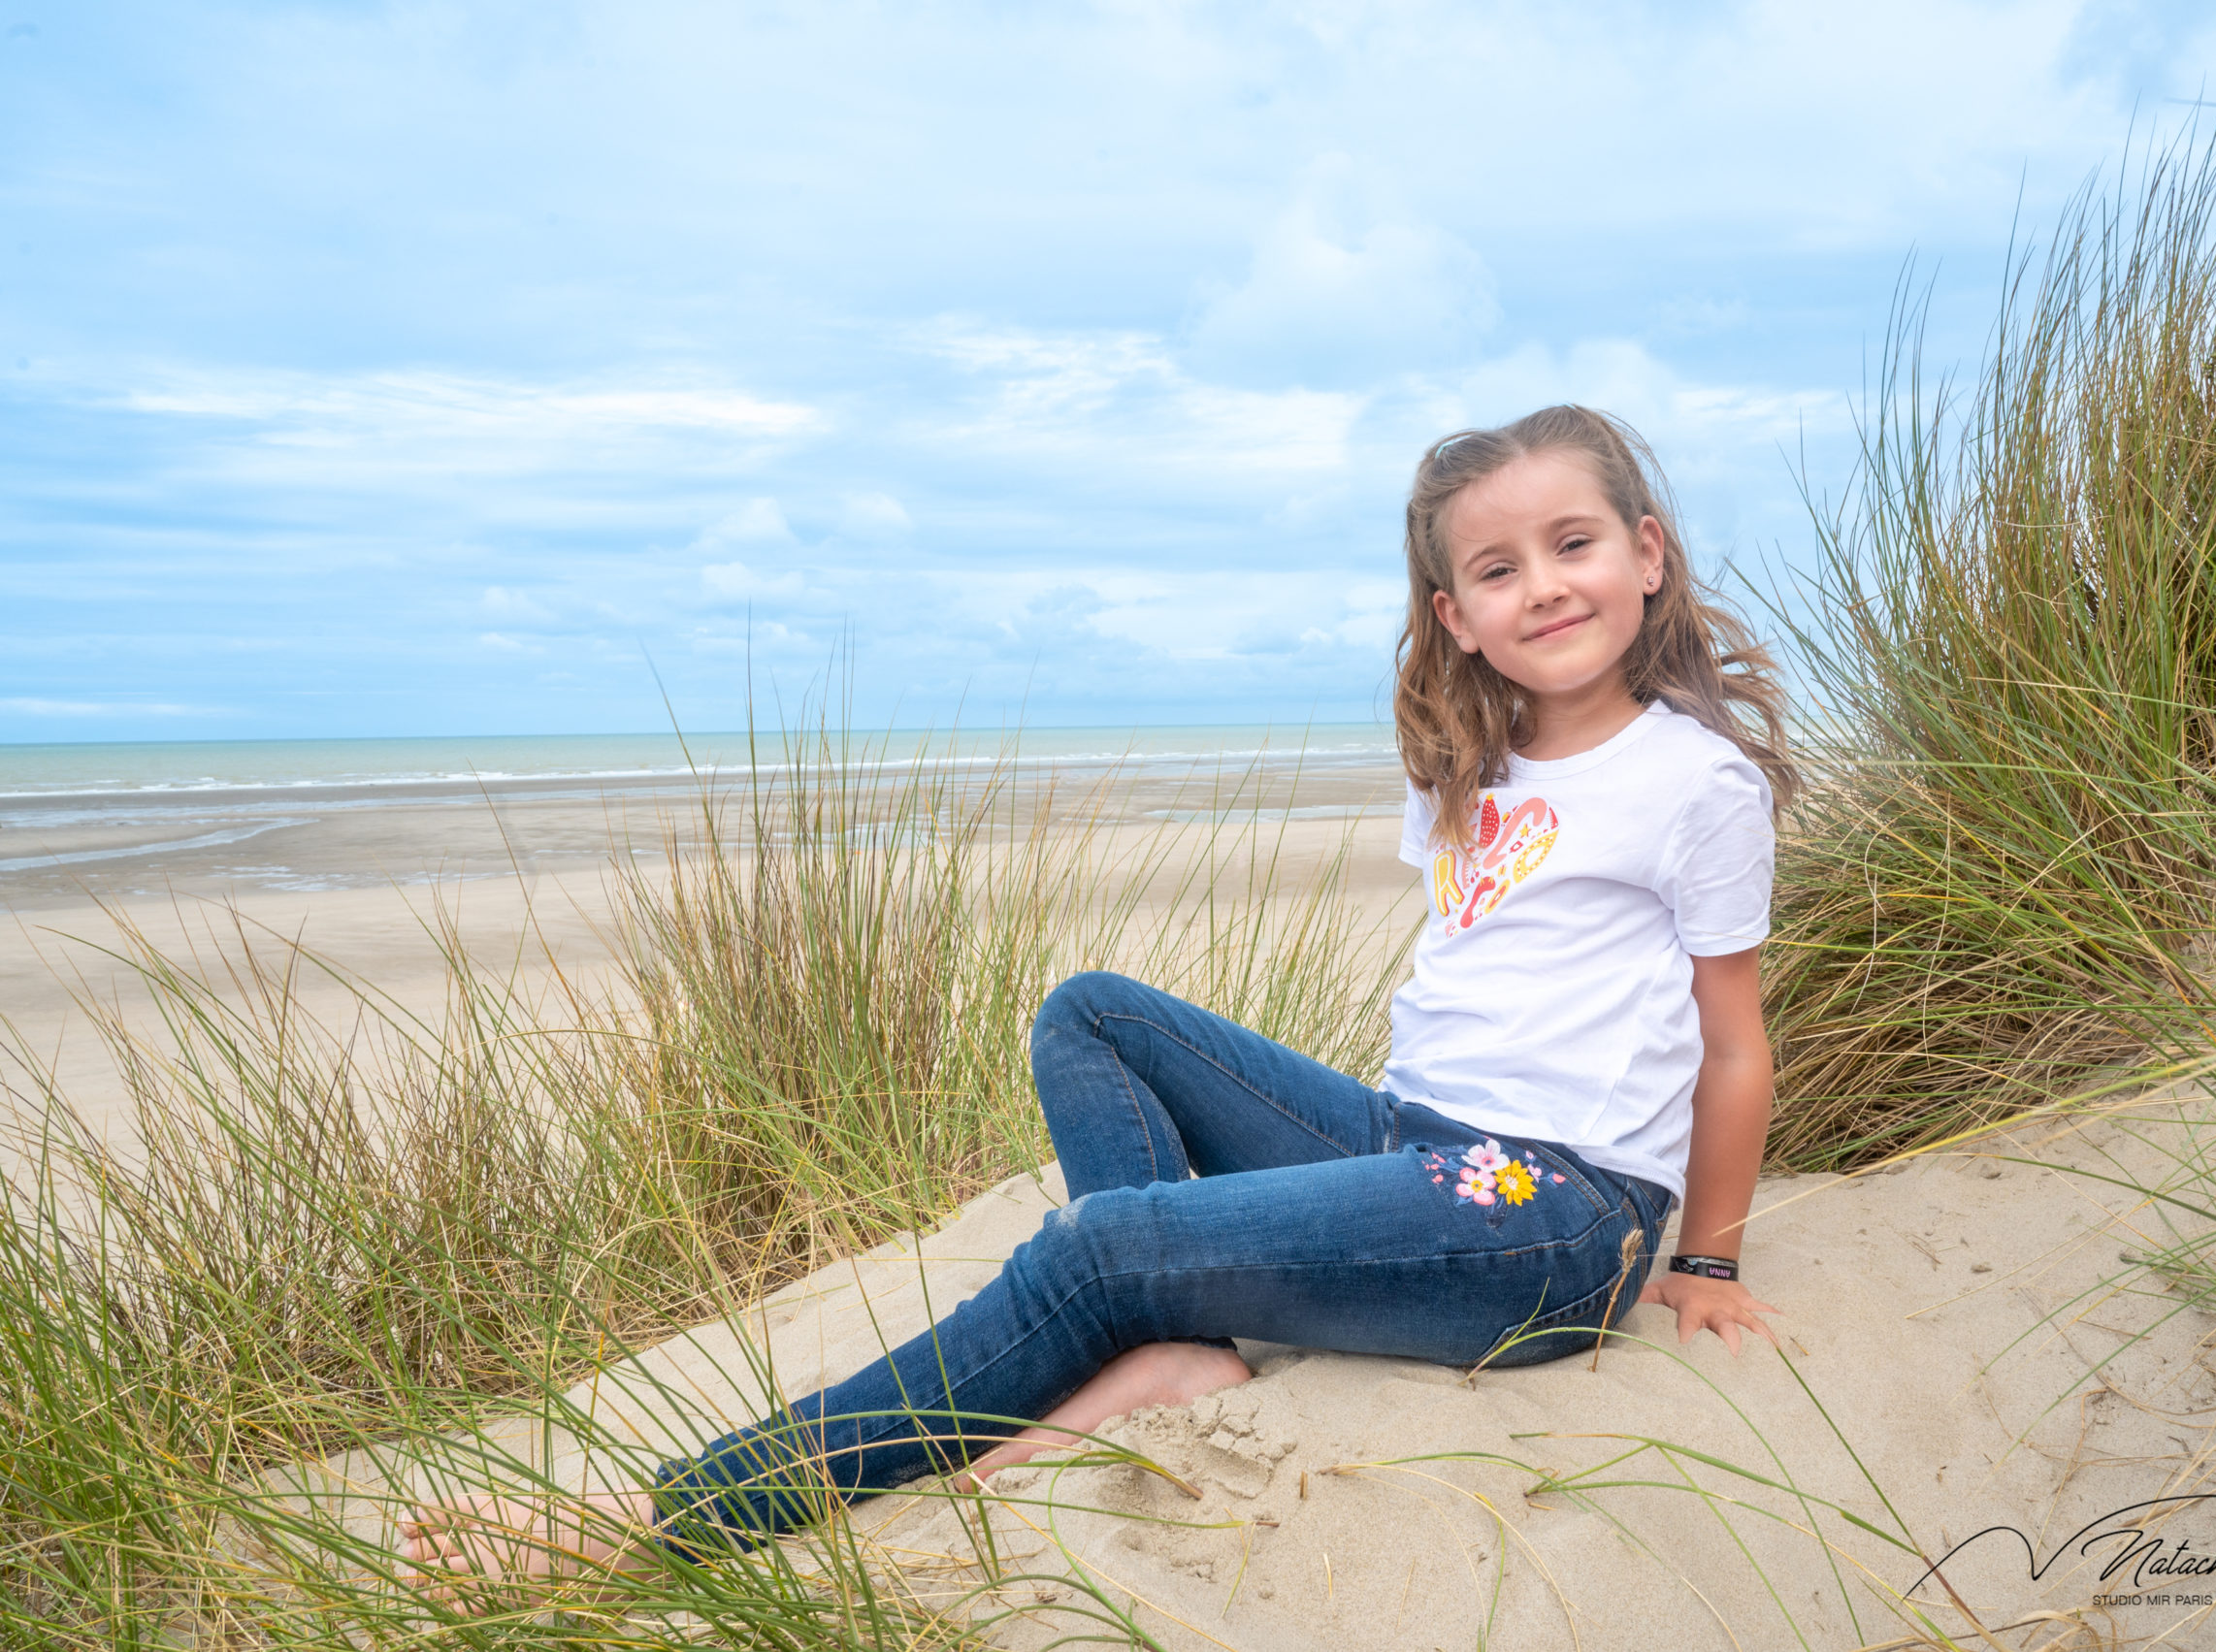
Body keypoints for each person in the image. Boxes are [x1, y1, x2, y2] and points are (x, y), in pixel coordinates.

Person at [399, 404, 1797, 1603]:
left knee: (1105, 1244)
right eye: (1499, 569)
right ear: (1455, 617)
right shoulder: (1476, 778)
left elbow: (1732, 1043)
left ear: (1646, 554)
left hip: (1547, 1220)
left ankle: (670, 1522)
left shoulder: (1694, 782)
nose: (1545, 587)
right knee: (1092, 1013)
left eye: (1576, 545)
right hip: (1409, 1142)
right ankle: (1176, 1350)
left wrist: (1710, 1258)